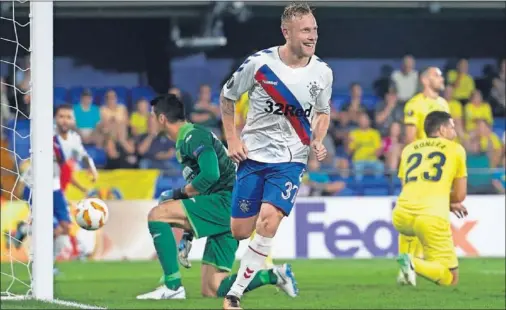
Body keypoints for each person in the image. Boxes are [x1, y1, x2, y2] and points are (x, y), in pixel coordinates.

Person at [219, 3, 332, 309]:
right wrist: (231, 138)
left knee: (268, 222)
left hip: (291, 161)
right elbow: (228, 96)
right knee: (240, 231)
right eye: (306, 30)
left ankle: (234, 295)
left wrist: (317, 138)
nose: (312, 36)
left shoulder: (322, 72)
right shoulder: (260, 64)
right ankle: (275, 273)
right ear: (287, 32)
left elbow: (323, 111)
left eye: (315, 30)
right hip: (253, 158)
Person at [136, 94, 297, 301]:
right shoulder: (188, 138)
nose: (149, 120)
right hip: (232, 206)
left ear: (161, 119)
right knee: (213, 287)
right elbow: (207, 182)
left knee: (157, 215)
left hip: (226, 201)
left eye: (152, 115)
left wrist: (178, 194)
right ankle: (274, 275)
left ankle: (172, 285)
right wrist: (187, 234)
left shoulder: (192, 137)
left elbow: (211, 174)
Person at [17, 104, 98, 273]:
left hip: (54, 186)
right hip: (35, 185)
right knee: (49, 227)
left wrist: (91, 168)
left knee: (66, 228)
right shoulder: (48, 134)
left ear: (73, 120)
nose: (65, 120)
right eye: (61, 116)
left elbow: (83, 156)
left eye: (68, 117)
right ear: (55, 118)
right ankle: (24, 230)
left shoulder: (74, 139)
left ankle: (47, 265)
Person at [393, 111, 468, 287]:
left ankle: (406, 270)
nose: (455, 132)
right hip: (431, 216)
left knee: (411, 230)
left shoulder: (409, 149)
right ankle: (412, 263)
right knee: (450, 277)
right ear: (442, 129)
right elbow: (459, 195)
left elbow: (408, 186)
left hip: (401, 215)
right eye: (452, 127)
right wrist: (448, 201)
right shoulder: (455, 149)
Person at [399, 66, 450, 280]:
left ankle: (412, 264)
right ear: (425, 79)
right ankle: (406, 265)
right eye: (437, 75)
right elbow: (410, 140)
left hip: (438, 172)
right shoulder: (415, 105)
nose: (441, 79)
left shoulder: (443, 104)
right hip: (419, 169)